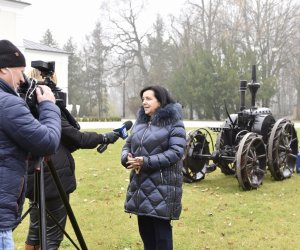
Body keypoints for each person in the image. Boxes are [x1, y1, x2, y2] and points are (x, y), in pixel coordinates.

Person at [24, 69, 120, 250]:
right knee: (52, 236)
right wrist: (105, 137)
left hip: (32, 176)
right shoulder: (47, 108)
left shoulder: (24, 106)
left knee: (35, 232)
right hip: (53, 178)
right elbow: (76, 138)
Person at [0, 39, 61, 250]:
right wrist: (48, 106)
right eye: (20, 71)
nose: (22, 78)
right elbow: (48, 142)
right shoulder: (7, 103)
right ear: (4, 68)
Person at [121, 85, 186, 250]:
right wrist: (126, 158)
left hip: (162, 187)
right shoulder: (140, 122)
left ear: (161, 100)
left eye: (148, 99)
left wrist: (145, 161)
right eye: (143, 99)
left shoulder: (174, 123)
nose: (144, 102)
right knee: (146, 235)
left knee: (162, 237)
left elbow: (176, 152)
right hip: (140, 186)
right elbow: (127, 144)